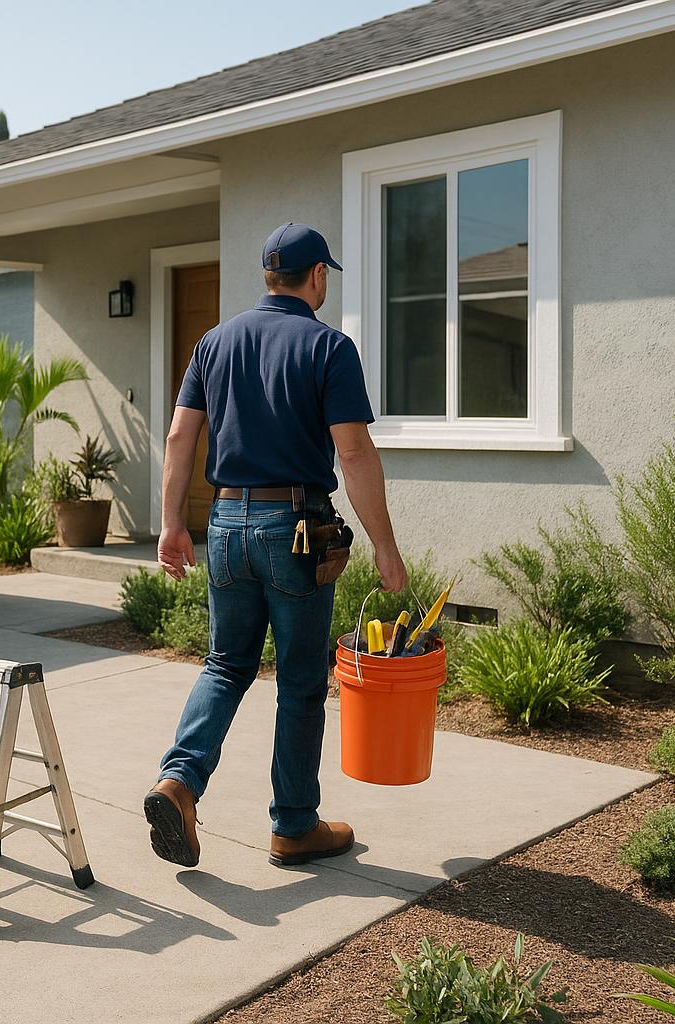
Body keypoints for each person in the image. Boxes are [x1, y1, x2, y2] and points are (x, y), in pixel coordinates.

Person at [144, 223, 407, 870]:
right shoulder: (329, 348)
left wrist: (172, 522)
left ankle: (178, 783)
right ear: (317, 276)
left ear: (269, 274)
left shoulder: (212, 342)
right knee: (299, 679)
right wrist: (385, 546)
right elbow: (352, 450)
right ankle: (293, 826)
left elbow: (181, 438)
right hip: (295, 530)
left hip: (227, 524)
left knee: (225, 665)